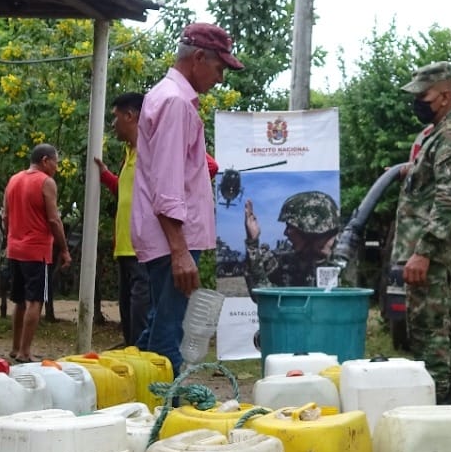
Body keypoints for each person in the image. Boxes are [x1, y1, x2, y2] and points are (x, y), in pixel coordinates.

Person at [131, 23, 242, 373]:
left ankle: (141, 408)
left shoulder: (165, 96)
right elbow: (167, 183)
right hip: (171, 239)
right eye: (219, 68)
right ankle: (169, 414)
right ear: (198, 58)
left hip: (167, 237)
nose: (220, 78)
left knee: (156, 330)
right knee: (169, 336)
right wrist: (180, 251)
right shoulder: (176, 102)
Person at [393, 61, 451, 406]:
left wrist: (423, 251)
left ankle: (437, 412)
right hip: (428, 255)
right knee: (433, 333)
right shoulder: (438, 135)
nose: (417, 102)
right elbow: (437, 183)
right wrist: (411, 172)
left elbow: (449, 198)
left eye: (423, 96)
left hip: (431, 257)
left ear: (443, 96)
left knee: (431, 339)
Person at [4, 143, 71, 363]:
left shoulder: (13, 180)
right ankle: (25, 352)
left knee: (19, 301)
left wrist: (11, 239)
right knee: (35, 301)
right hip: (37, 251)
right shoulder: (46, 182)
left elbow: (6, 217)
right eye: (55, 163)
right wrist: (64, 249)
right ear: (45, 160)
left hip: (15, 249)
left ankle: (15, 348)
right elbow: (54, 219)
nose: (56, 168)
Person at [94, 92, 149, 347]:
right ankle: (131, 352)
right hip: (124, 246)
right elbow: (126, 191)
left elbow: (208, 166)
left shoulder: (155, 148)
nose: (112, 125)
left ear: (131, 115)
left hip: (144, 247)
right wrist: (105, 175)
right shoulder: (130, 151)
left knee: (141, 311)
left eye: (116, 118)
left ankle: (143, 359)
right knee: (127, 309)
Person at [243, 191, 340, 291]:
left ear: (310, 228)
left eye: (290, 226)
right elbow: (264, 295)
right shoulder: (290, 263)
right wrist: (252, 241)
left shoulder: (348, 263)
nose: (285, 233)